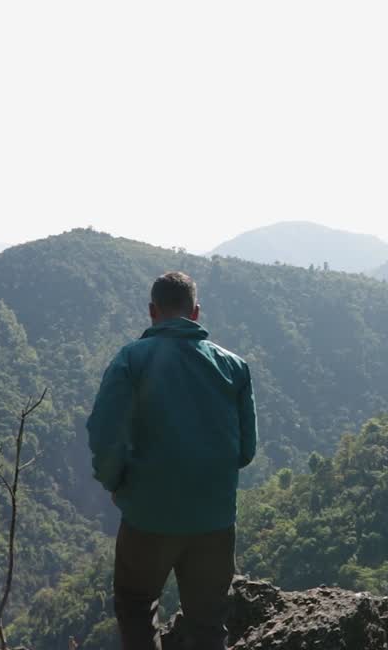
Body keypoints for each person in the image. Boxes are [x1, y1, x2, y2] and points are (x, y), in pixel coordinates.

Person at [87, 271, 257, 650]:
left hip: (148, 516)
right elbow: (246, 450)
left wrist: (115, 482)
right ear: (196, 312)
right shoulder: (234, 367)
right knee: (209, 625)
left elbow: (104, 435)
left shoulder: (131, 360)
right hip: (214, 519)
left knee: (136, 607)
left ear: (152, 311)